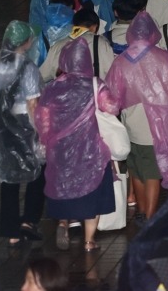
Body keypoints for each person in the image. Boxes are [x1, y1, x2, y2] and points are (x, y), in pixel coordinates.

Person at [102, 12, 168, 221]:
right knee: (152, 171)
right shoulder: (163, 57)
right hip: (159, 123)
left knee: (135, 168)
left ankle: (142, 211)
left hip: (131, 122)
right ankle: (151, 216)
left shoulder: (122, 60)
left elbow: (111, 97)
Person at [33, 38, 116, 252]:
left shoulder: (52, 87)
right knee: (93, 195)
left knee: (63, 188)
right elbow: (112, 107)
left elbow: (42, 119)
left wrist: (46, 142)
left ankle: (63, 224)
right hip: (91, 151)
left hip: (60, 151)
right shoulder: (95, 85)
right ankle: (89, 241)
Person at [0, 21, 45, 246]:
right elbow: (32, 104)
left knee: (9, 177)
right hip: (23, 127)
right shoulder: (27, 67)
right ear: (26, 42)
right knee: (37, 171)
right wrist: (40, 133)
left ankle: (10, 230)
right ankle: (29, 220)